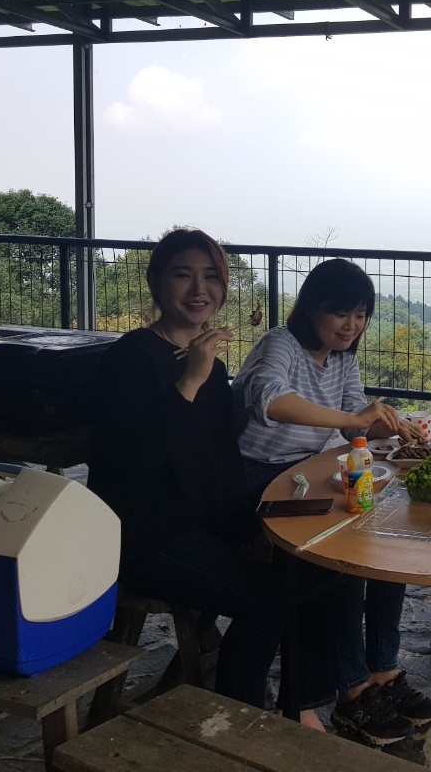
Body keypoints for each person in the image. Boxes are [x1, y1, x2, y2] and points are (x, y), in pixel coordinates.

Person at [87, 228, 327, 720]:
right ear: (156, 283)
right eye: (183, 275)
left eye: (211, 277)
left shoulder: (211, 367)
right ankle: (238, 721)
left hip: (194, 529)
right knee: (266, 599)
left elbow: (220, 461)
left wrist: (247, 531)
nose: (199, 289)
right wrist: (190, 380)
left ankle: (300, 704)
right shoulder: (132, 356)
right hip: (141, 537)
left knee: (301, 569)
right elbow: (130, 461)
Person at [234, 257, 431, 745]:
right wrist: (354, 420)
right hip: (257, 478)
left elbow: (356, 421)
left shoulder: (342, 358)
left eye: (361, 314)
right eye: (341, 313)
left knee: (388, 539)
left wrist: (391, 424)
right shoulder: (280, 345)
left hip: (307, 472)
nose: (352, 325)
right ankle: (352, 691)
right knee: (344, 552)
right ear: (312, 308)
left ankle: (382, 670)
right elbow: (269, 400)